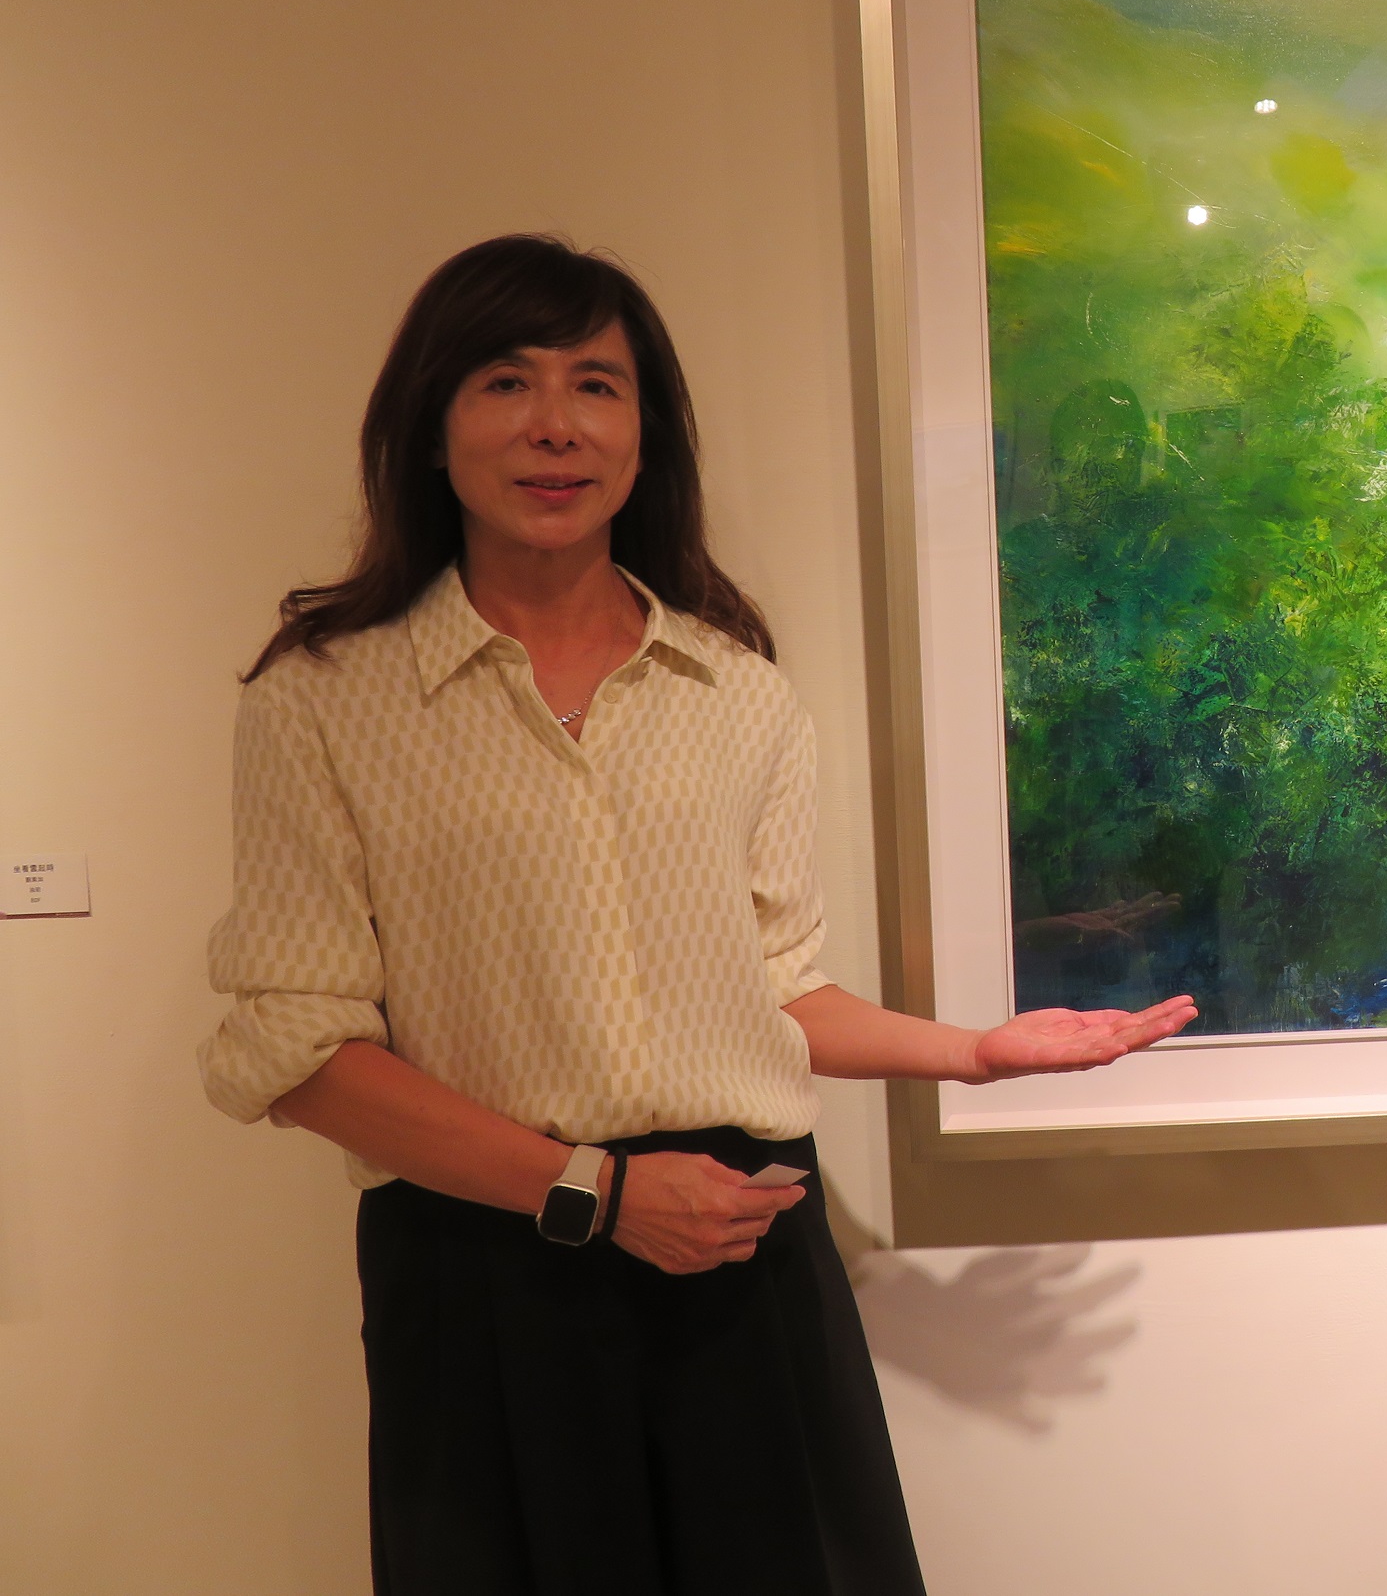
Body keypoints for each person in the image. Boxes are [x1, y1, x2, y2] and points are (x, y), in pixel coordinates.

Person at [198, 234, 1195, 1595]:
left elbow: (775, 986)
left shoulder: (738, 693)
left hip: (741, 1244)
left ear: (647, 432)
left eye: (596, 386)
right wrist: (596, 1194)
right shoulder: (322, 700)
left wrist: (974, 1052)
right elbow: (302, 1053)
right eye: (505, 382)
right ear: (430, 427)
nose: (556, 424)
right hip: (488, 1263)